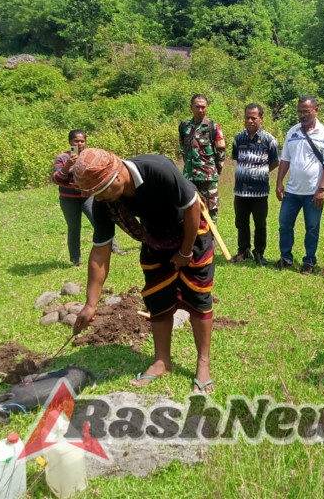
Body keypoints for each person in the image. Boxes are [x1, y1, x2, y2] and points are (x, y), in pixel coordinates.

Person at [71, 149, 216, 393]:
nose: (102, 199)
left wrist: (185, 252)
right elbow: (100, 253)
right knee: (157, 297)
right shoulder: (104, 203)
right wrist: (90, 304)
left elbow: (191, 206)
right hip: (155, 237)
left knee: (198, 296)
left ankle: (203, 363)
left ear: (117, 176)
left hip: (191, 230)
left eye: (102, 192)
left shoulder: (158, 169)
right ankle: (161, 361)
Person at [274, 95, 324, 275]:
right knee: (284, 223)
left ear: (316, 110)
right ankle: (285, 257)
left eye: (306, 111)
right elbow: (285, 159)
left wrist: (322, 189)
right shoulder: (292, 132)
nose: (302, 115)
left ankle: (309, 261)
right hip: (292, 191)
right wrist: (279, 183)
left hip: (313, 193)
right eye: (299, 111)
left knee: (312, 227)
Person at [52, 129, 127, 266]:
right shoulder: (62, 158)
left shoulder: (90, 156)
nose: (80, 144)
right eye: (76, 141)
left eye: (82, 141)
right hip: (68, 200)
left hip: (87, 197)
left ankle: (114, 248)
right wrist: (67, 166)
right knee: (74, 227)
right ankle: (75, 259)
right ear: (70, 142)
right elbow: (56, 179)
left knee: (99, 221)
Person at [230, 103, 280, 265]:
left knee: (260, 224)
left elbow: (274, 162)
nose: (250, 120)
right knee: (241, 222)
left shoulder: (269, 140)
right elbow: (238, 159)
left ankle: (259, 253)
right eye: (247, 117)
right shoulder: (238, 138)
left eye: (254, 117)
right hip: (241, 191)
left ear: (261, 118)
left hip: (259, 192)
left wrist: (260, 172)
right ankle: (243, 251)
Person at [178, 94, 226, 225]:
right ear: (191, 107)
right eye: (197, 107)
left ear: (207, 107)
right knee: (190, 209)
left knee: (211, 209)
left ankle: (210, 239)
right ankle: (195, 240)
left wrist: (215, 170)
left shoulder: (213, 127)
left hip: (208, 178)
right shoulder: (184, 127)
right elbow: (183, 149)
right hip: (190, 178)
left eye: (203, 107)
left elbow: (221, 152)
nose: (200, 110)